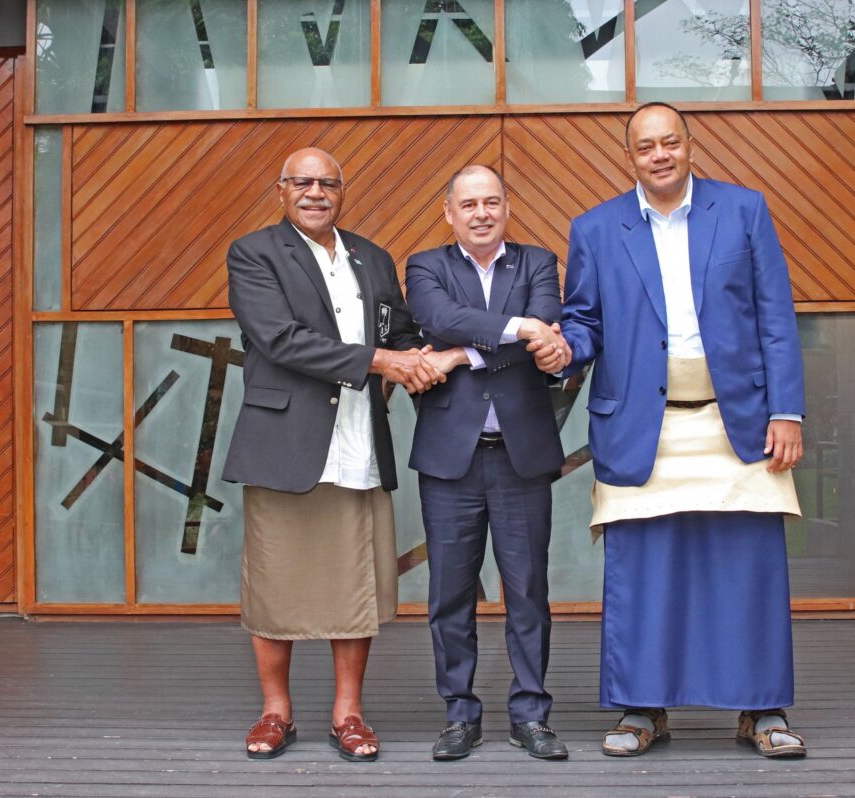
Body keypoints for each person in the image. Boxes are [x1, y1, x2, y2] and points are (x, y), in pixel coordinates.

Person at [535, 102, 807, 758]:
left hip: (734, 420)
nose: (659, 154)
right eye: (645, 146)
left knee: (749, 566)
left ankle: (762, 710)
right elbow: (585, 320)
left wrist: (787, 412)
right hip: (640, 426)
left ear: (690, 145)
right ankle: (642, 710)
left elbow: (775, 315)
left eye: (670, 142)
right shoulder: (596, 228)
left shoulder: (743, 211)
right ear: (629, 156)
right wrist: (564, 347)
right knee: (643, 569)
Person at [223, 147, 443, 763]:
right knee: (275, 581)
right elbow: (279, 339)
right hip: (286, 444)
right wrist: (383, 362)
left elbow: (397, 332)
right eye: (303, 182)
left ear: (342, 192)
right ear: (282, 190)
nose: (316, 192)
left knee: (355, 583)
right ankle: (276, 712)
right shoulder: (254, 252)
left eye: (328, 183)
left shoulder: (371, 257)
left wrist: (441, 352)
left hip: (358, 438)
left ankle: (349, 713)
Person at [404, 165, 571, 761]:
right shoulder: (425, 266)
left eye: (492, 201)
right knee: (450, 593)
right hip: (452, 461)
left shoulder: (537, 261)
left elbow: (542, 337)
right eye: (468, 204)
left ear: (508, 207)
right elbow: (442, 318)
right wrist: (518, 328)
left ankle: (532, 714)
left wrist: (455, 357)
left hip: (520, 459)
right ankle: (460, 713)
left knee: (528, 592)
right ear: (448, 213)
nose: (481, 212)